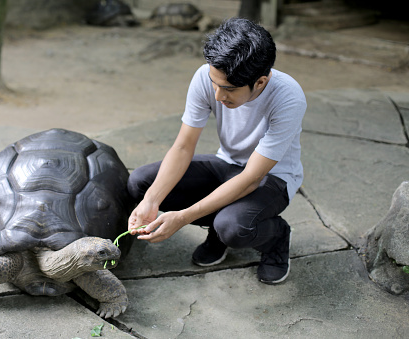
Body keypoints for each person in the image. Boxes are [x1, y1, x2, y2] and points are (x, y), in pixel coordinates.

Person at [127, 17, 306, 284]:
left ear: (260, 82)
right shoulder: (207, 75)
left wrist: (183, 218)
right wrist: (151, 201)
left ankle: (276, 237)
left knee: (233, 228)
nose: (219, 96)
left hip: (272, 178)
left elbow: (251, 178)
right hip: (226, 163)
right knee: (141, 183)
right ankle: (218, 227)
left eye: (229, 89)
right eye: (215, 84)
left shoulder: (288, 98)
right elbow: (183, 145)